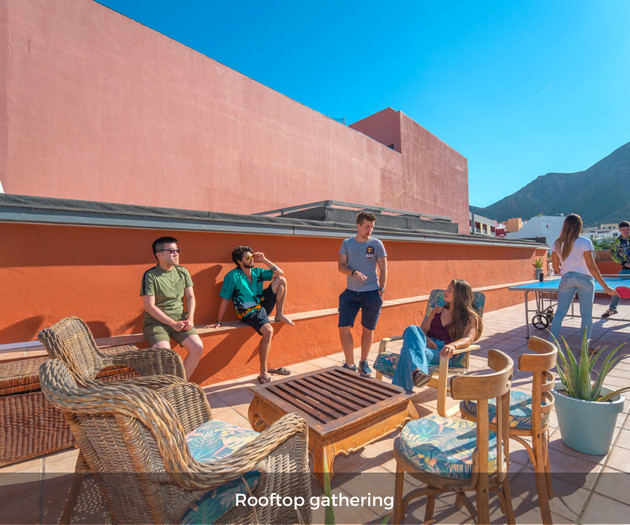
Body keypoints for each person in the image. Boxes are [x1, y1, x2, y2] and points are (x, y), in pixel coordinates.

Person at [209, 246, 294, 384]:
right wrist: (219, 320)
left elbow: (279, 272)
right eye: (248, 258)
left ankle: (279, 314)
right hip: (248, 311)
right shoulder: (232, 276)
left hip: (261, 305)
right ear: (239, 261)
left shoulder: (257, 272)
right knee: (268, 331)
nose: (252, 259)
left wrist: (264, 259)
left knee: (281, 280)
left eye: (252, 256)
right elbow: (225, 298)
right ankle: (263, 372)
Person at [391, 279, 482, 392]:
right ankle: (418, 374)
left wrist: (453, 345)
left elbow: (469, 338)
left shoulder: (470, 317)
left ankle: (397, 392)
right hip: (425, 346)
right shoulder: (438, 310)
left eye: (449, 290)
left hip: (443, 352)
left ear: (459, 295)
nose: (445, 292)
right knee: (412, 329)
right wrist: (426, 338)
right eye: (446, 289)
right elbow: (423, 329)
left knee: (408, 351)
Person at [140, 236, 203, 380]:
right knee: (165, 354)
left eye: (177, 250)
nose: (176, 254)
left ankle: (180, 384)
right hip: (156, 323)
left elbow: (190, 297)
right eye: (171, 251)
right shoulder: (150, 276)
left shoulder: (182, 271)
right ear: (159, 255)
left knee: (197, 347)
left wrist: (190, 318)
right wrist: (172, 324)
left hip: (180, 319)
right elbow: (149, 307)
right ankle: (168, 386)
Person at [549, 214, 616, 347]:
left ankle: (551, 346)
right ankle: (584, 348)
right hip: (585, 279)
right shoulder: (585, 242)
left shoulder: (557, 243)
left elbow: (555, 266)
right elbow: (591, 266)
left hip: (566, 280)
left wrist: (566, 270)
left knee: (560, 313)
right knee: (586, 314)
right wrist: (605, 286)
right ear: (579, 227)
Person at [337, 211, 388, 376]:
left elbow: (383, 268)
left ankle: (363, 362)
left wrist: (381, 289)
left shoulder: (377, 244)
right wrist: (353, 272)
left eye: (372, 227)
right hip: (350, 293)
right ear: (358, 226)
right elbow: (341, 266)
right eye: (367, 226)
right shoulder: (347, 243)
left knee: (368, 328)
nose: (369, 230)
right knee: (344, 327)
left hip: (372, 292)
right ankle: (350, 363)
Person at [601, 220, 630, 318]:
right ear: (620, 230)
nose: (626, 231)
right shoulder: (616, 242)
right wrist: (624, 263)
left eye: (627, 229)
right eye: (624, 229)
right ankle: (612, 309)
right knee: (618, 288)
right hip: (625, 269)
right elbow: (613, 256)